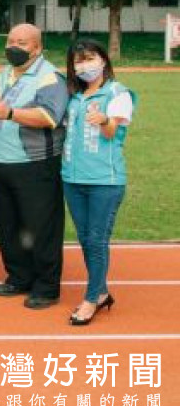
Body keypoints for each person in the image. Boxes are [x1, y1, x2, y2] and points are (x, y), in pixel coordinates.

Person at [0, 23, 69, 310]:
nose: (14, 46)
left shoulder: (49, 77)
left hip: (35, 165)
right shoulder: (6, 74)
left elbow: (49, 116)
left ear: (37, 48)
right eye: (10, 40)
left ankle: (46, 286)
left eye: (22, 42)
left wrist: (10, 113)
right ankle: (19, 276)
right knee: (9, 225)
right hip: (2, 163)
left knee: (41, 226)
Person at [61, 39, 135, 325]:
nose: (84, 65)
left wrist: (104, 120)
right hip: (72, 178)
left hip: (105, 180)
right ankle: (101, 292)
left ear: (103, 60)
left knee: (96, 239)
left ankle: (91, 299)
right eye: (78, 61)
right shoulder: (74, 96)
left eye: (89, 58)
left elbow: (111, 132)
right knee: (86, 239)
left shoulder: (117, 93)